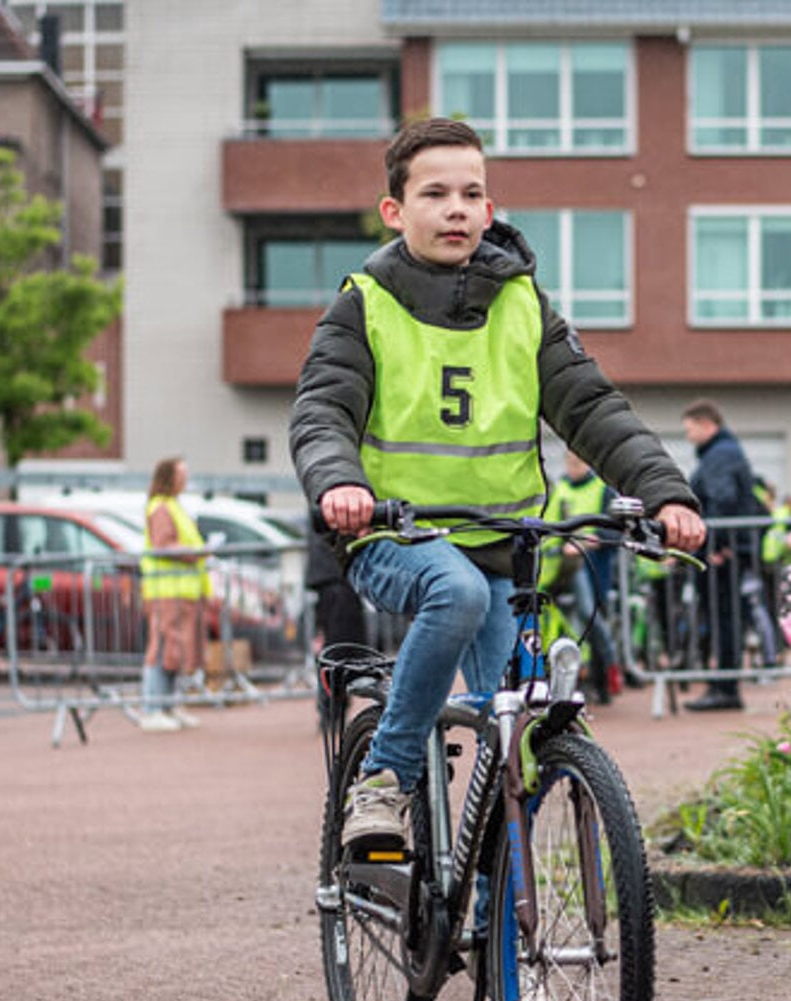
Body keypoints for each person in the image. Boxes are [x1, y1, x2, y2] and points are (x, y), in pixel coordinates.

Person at [290, 118, 704, 854]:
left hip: (503, 547)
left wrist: (665, 492)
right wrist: (338, 483)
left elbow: (593, 408)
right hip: (395, 535)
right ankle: (384, 781)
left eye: (472, 193)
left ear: (490, 208)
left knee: (522, 732)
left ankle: (491, 914)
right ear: (395, 210)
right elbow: (323, 407)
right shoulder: (366, 303)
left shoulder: (524, 306)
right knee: (458, 595)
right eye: (435, 193)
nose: (456, 208)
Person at [679, 399, 761, 711]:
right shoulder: (723, 452)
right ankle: (723, 685)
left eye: (690, 429)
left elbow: (721, 499)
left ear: (706, 424)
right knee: (723, 617)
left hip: (722, 554)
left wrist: (717, 546)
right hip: (729, 550)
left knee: (722, 618)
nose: (688, 436)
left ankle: (725, 688)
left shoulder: (719, 455)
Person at [543, 449, 623, 704]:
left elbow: (617, 531)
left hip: (593, 569)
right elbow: (549, 526)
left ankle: (608, 670)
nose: (573, 466)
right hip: (563, 568)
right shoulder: (561, 489)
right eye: (569, 462)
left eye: (578, 461)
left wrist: (597, 539)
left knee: (590, 616)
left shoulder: (603, 490)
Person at [138, 456, 208, 733]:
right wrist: (195, 553)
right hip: (167, 589)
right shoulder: (162, 508)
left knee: (176, 649)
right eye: (182, 474)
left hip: (179, 589)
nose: (186, 479)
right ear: (170, 477)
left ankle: (167, 705)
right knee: (163, 647)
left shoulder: (173, 506)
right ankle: (153, 707)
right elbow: (163, 545)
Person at [305, 507, 367, 734]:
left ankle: (334, 708)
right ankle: (331, 710)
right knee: (337, 649)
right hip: (334, 577)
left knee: (339, 648)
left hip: (335, 577)